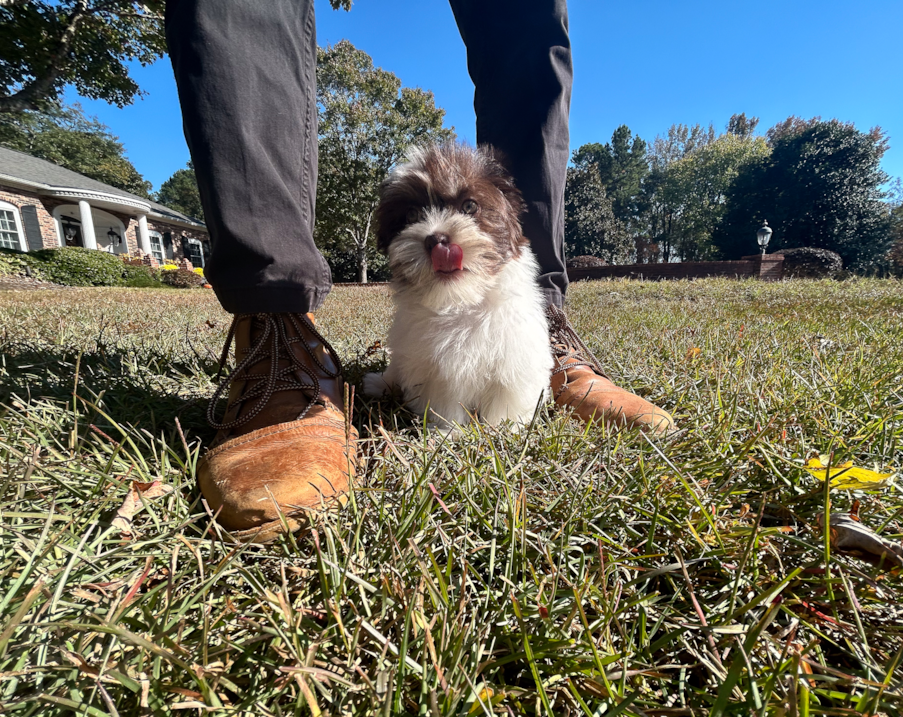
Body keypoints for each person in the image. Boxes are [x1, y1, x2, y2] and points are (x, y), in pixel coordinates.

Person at [165, 0, 675, 541]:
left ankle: (552, 333)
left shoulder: (508, 245)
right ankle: (273, 318)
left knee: (525, 20)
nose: (438, 231)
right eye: (412, 217)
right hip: (413, 362)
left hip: (517, 290)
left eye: (467, 209)